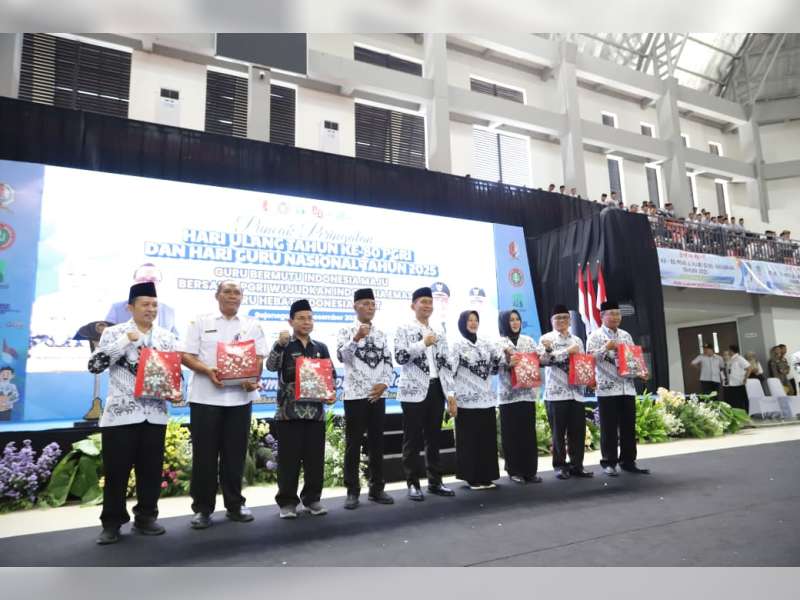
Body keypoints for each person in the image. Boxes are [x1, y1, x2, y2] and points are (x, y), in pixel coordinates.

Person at [87, 282, 181, 545]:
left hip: (155, 414)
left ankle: (146, 517)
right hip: (121, 415)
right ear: (131, 307)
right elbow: (95, 365)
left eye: (154, 305)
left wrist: (177, 390)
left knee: (150, 471)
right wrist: (123, 342)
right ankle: (112, 523)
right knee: (117, 471)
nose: (151, 309)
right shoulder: (113, 333)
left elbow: (174, 373)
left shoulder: (167, 337)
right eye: (145, 304)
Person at [181, 281, 266, 529]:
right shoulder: (200, 322)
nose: (232, 296)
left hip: (239, 400)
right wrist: (207, 370)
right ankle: (202, 509)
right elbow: (186, 355)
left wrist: (253, 379)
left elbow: (258, 358)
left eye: (237, 292)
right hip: (205, 398)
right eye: (227, 291)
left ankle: (235, 504)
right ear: (216, 295)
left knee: (235, 455)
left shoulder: (252, 325)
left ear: (242, 297)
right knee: (204, 456)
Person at [267, 299, 335, 519]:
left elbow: (330, 376)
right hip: (289, 413)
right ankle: (287, 502)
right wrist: (278, 344)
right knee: (289, 460)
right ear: (291, 321)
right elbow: (270, 366)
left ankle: (312, 500)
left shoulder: (320, 347)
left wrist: (330, 393)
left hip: (315, 413)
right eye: (301, 318)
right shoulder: (285, 345)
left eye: (310, 317)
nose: (306, 322)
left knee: (315, 460)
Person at [394, 287, 455, 501]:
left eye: (430, 302)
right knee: (411, 439)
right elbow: (400, 357)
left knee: (434, 437)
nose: (428, 305)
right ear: (413, 306)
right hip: (413, 391)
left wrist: (451, 394)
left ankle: (435, 481)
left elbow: (446, 363)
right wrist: (422, 343)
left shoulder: (438, 330)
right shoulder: (403, 328)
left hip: (437, 388)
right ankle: (412, 484)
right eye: (423, 302)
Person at [336, 288, 394, 510]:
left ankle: (377, 488)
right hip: (354, 395)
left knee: (377, 443)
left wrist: (385, 384)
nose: (370, 307)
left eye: (372, 304)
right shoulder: (345, 330)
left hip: (376, 395)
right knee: (353, 444)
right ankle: (352, 490)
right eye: (365, 303)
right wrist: (356, 338)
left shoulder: (381, 334)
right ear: (355, 306)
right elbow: (342, 356)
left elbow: (388, 361)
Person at [586, 300, 650, 476]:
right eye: (611, 314)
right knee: (609, 427)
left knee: (628, 426)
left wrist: (641, 372)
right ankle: (609, 462)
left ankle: (628, 461)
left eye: (618, 314)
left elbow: (632, 361)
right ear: (602, 316)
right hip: (607, 389)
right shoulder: (595, 336)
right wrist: (606, 347)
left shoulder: (626, 335)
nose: (615, 317)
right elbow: (589, 358)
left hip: (627, 388)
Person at [448, 310, 502, 490]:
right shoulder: (456, 345)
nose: (473, 323)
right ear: (462, 323)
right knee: (469, 441)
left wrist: (506, 355)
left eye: (475, 320)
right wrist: (451, 396)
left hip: (486, 400)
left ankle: (487, 476)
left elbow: (496, 366)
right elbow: (449, 372)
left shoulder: (486, 343)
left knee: (486, 440)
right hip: (465, 401)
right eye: (469, 320)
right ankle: (471, 477)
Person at [539, 305, 593, 480]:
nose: (561, 321)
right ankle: (560, 466)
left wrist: (589, 379)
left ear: (570, 320)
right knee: (558, 433)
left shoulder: (577, 339)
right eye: (558, 318)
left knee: (577, 432)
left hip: (576, 393)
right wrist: (566, 352)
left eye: (564, 318)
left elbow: (582, 364)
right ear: (552, 321)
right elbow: (545, 361)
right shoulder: (546, 339)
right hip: (555, 393)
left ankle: (577, 465)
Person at [496, 309, 541, 484]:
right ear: (504, 323)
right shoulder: (499, 343)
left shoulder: (529, 341)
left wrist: (546, 351)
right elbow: (493, 365)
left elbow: (540, 359)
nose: (515, 323)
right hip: (509, 396)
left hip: (527, 394)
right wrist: (507, 362)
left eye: (517, 319)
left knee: (528, 433)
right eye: (511, 320)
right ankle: (514, 470)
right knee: (511, 435)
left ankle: (530, 471)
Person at [106, 263, 178, 336]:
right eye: (142, 279)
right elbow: (106, 341)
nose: (147, 284)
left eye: (153, 280)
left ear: (160, 282)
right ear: (134, 282)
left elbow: (176, 342)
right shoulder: (117, 309)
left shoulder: (169, 311)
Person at [723, 344, 752, 412]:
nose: (728, 352)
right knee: (733, 402)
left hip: (739, 384)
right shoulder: (731, 359)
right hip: (731, 384)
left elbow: (749, 368)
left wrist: (745, 378)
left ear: (731, 351)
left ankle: (744, 414)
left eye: (729, 350)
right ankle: (736, 415)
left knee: (740, 401)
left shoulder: (739, 358)